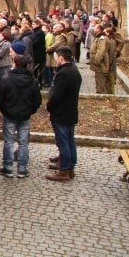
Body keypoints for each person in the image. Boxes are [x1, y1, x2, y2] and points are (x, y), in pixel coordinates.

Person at [0, 54, 42, 178]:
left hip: (10, 114)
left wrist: (4, 110)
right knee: (24, 143)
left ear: (14, 64)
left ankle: (8, 168)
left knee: (9, 142)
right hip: (24, 115)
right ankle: (22, 169)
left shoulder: (6, 78)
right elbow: (37, 100)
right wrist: (30, 111)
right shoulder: (32, 81)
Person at [46, 46, 82, 182]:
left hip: (61, 112)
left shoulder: (63, 74)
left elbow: (56, 96)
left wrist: (49, 107)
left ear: (61, 58)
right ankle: (70, 166)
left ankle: (64, 170)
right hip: (70, 111)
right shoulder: (74, 70)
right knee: (69, 140)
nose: (55, 60)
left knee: (63, 142)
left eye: (56, 57)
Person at [89, 24, 111, 94]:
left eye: (95, 28)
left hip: (100, 63)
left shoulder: (102, 38)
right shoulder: (98, 37)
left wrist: (96, 60)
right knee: (98, 79)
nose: (93, 29)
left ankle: (101, 94)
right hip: (98, 64)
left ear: (99, 29)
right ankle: (99, 92)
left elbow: (101, 50)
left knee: (101, 79)